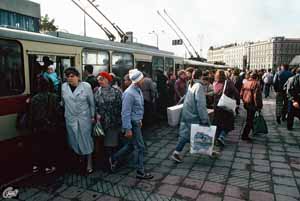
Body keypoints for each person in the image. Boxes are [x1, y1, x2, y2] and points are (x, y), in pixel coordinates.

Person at [109, 69, 153, 180]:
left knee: (130, 146)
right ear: (138, 80)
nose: (144, 80)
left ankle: (114, 158)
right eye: (142, 79)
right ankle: (140, 171)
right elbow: (125, 112)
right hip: (132, 124)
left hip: (136, 122)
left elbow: (137, 108)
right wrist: (128, 128)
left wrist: (140, 119)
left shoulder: (137, 90)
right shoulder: (129, 93)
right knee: (140, 147)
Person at [170, 69, 210, 163]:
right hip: (194, 115)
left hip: (187, 113)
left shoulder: (190, 84)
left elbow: (185, 97)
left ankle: (176, 152)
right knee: (204, 131)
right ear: (200, 77)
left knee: (185, 135)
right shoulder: (199, 86)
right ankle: (209, 150)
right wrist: (204, 118)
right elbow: (201, 104)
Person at [61, 67, 95, 174]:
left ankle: (89, 163)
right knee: (73, 140)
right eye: (67, 76)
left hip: (84, 118)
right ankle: (78, 161)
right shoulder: (64, 87)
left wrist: (93, 116)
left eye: (72, 76)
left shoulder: (86, 86)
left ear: (78, 77)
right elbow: (63, 102)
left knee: (86, 140)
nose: (70, 79)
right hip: (70, 118)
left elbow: (91, 103)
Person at [31, 78, 60, 174]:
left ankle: (37, 166)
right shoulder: (54, 97)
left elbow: (32, 114)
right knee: (49, 146)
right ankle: (48, 166)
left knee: (39, 146)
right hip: (50, 126)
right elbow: (58, 112)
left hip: (38, 126)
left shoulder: (34, 98)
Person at [94, 72, 122, 164]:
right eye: (98, 79)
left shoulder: (116, 91)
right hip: (101, 122)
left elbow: (120, 106)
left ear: (108, 80)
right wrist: (96, 114)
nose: (99, 81)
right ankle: (106, 160)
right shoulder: (97, 91)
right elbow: (95, 105)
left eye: (101, 79)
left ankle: (112, 160)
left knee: (111, 143)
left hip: (113, 121)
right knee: (102, 143)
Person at [213, 70, 240, 146]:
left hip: (217, 106)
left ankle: (216, 139)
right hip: (226, 106)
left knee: (218, 123)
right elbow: (236, 93)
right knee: (228, 122)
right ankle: (221, 137)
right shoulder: (228, 83)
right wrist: (237, 102)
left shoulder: (215, 83)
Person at [240, 72, 263, 141]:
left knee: (250, 117)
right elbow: (257, 96)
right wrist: (259, 106)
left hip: (246, 103)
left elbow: (241, 94)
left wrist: (244, 101)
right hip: (252, 104)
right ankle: (245, 135)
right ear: (256, 77)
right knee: (249, 120)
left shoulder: (245, 83)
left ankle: (254, 130)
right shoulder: (256, 84)